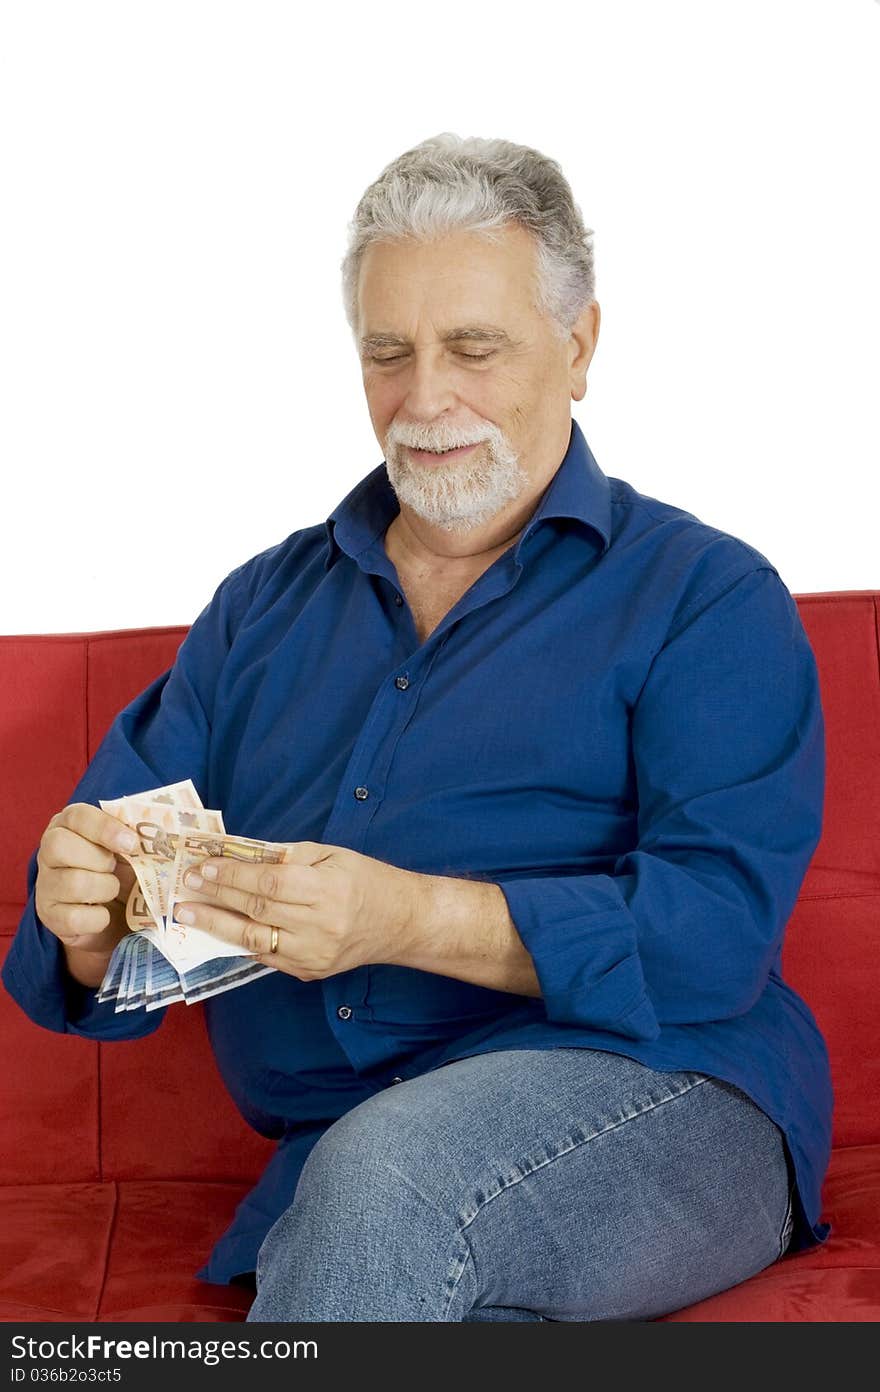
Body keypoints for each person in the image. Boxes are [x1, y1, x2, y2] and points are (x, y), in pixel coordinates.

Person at [2, 133, 831, 1323]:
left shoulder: (704, 597)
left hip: (665, 1093)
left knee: (385, 1184)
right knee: (382, 1216)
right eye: (387, 353)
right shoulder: (258, 610)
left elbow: (712, 936)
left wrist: (403, 917)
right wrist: (80, 916)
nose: (424, 398)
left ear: (580, 346)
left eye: (473, 348)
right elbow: (100, 937)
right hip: (339, 1161)